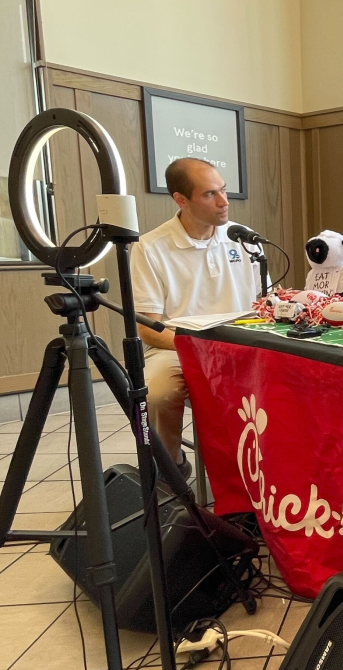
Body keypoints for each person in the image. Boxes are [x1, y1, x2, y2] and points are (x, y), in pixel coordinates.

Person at [131, 158, 262, 472]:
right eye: (209, 195)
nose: (223, 202)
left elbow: (263, 305)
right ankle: (171, 470)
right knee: (159, 394)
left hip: (239, 344)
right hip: (176, 348)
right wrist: (201, 347)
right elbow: (148, 329)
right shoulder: (149, 248)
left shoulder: (244, 239)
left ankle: (263, 472)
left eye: (224, 191)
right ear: (181, 200)